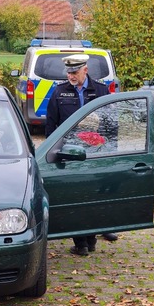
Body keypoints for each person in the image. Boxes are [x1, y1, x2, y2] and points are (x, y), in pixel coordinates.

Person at [45, 54, 118, 256]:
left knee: (94, 196)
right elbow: (51, 124)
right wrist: (52, 150)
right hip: (71, 154)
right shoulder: (59, 92)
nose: (71, 76)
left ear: (85, 70)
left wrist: (112, 151)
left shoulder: (102, 91)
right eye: (68, 72)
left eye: (75, 72)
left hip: (96, 154)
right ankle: (81, 243)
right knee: (77, 195)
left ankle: (91, 238)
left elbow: (112, 125)